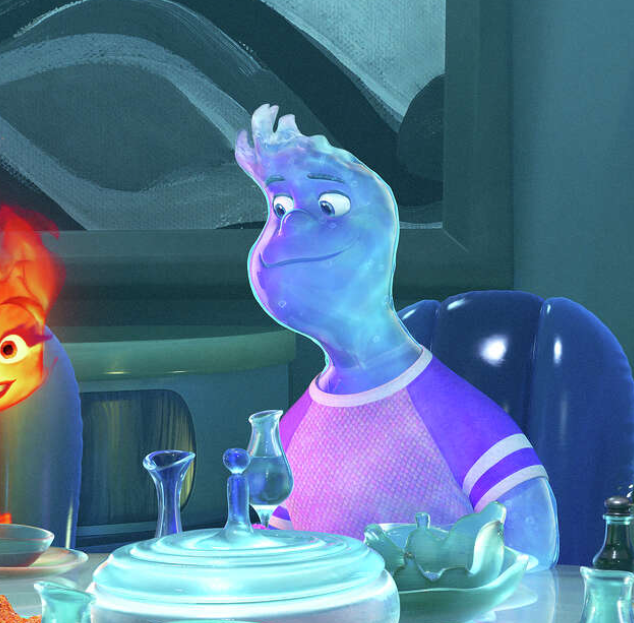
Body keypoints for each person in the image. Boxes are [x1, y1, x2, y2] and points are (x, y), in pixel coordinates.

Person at [236, 104, 559, 569]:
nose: (292, 224)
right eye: (280, 207)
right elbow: (282, 555)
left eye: (327, 207)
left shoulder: (446, 413)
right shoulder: (290, 432)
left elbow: (534, 547)